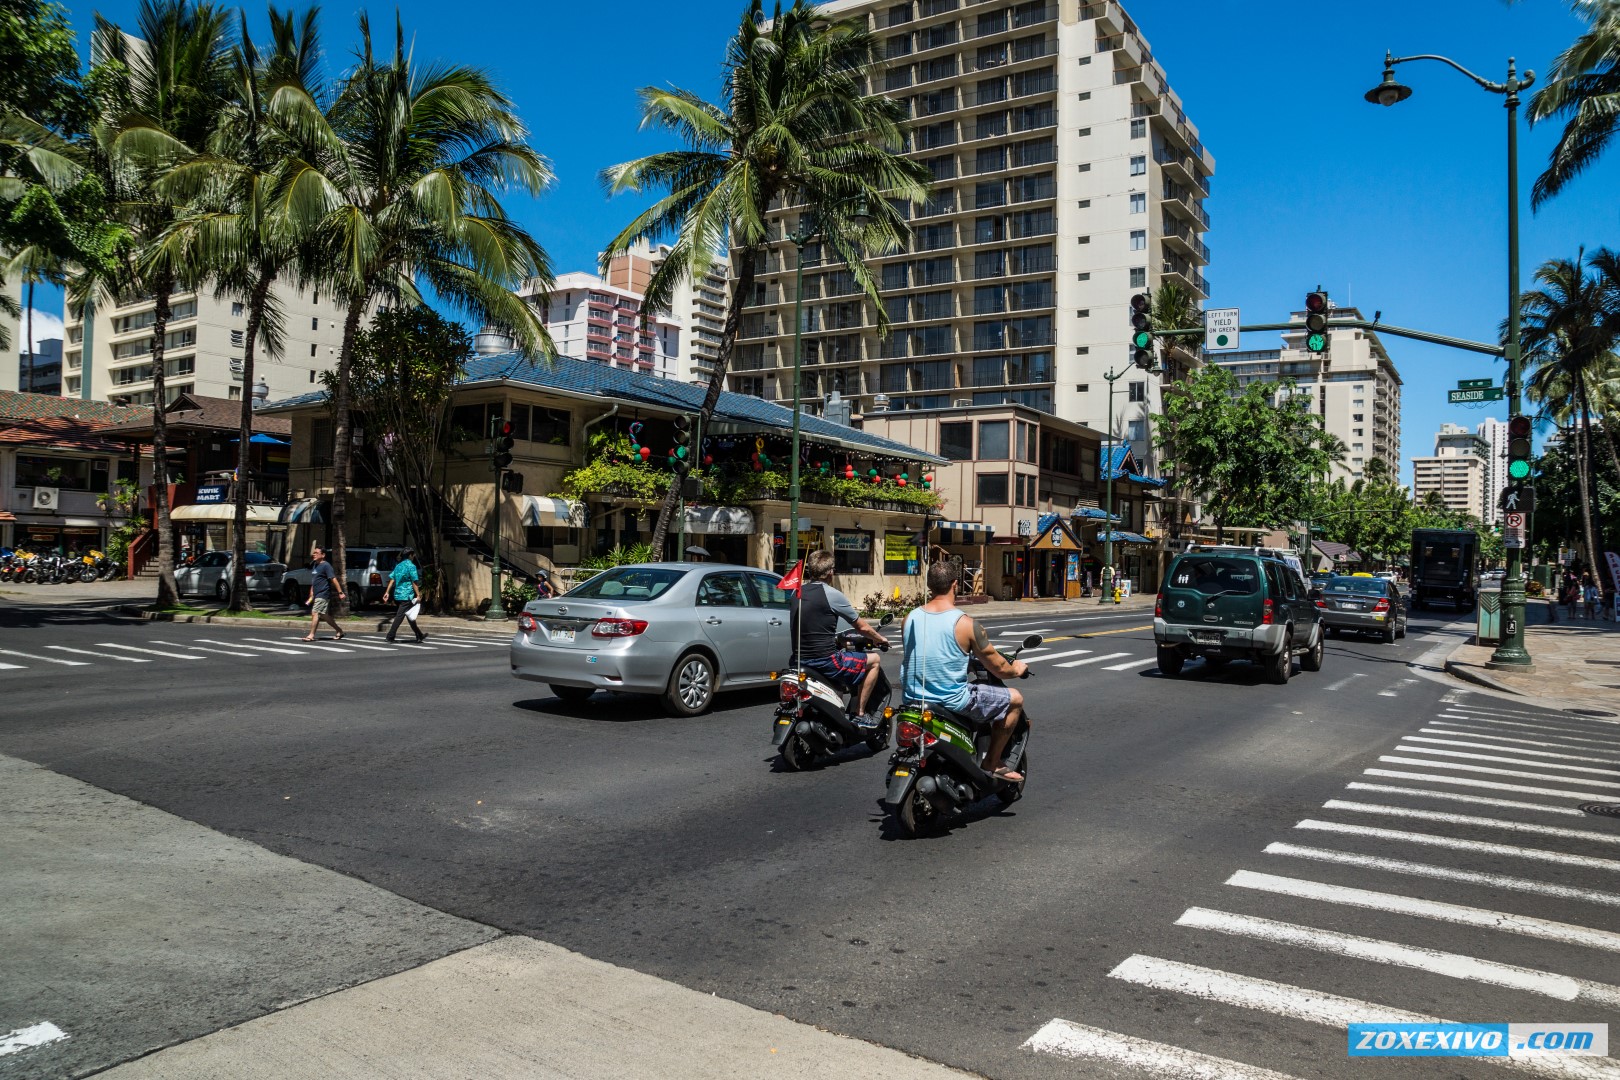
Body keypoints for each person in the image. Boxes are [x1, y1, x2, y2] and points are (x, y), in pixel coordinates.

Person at [901, 559, 1029, 782]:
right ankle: (993, 761)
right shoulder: (965, 623)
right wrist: (1016, 669)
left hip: (913, 698)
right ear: (955, 584)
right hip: (952, 700)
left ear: (930, 585)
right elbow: (998, 667)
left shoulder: (909, 618)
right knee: (1015, 699)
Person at [789, 549, 890, 723]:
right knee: (874, 661)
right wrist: (880, 639)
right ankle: (859, 713)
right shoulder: (832, 595)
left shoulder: (796, 593)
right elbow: (862, 627)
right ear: (831, 572)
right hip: (826, 662)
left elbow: (813, 623)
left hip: (798, 660)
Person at [302, 545, 346, 641]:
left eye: (316, 553)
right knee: (324, 615)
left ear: (323, 555)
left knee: (315, 612)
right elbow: (315, 580)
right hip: (317, 593)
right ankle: (339, 631)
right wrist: (311, 591)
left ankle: (311, 635)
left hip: (323, 593)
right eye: (314, 553)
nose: (314, 555)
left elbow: (333, 579)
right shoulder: (315, 565)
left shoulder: (326, 566)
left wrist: (340, 592)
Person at [383, 549, 426, 643]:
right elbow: (414, 581)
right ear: (410, 555)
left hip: (398, 595)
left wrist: (387, 592)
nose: (414, 556)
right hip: (406, 596)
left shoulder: (398, 566)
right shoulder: (411, 566)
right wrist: (418, 595)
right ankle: (390, 636)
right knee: (400, 616)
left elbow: (392, 579)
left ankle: (419, 635)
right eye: (413, 555)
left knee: (410, 615)